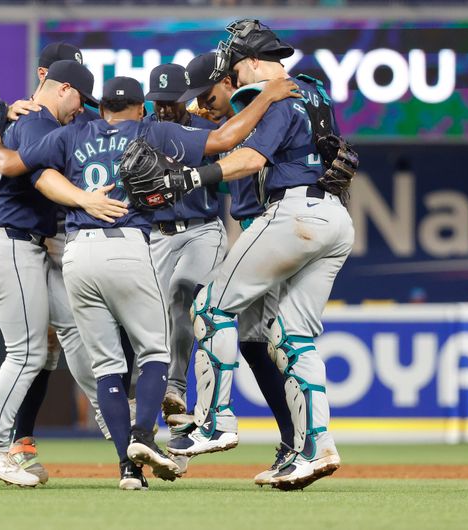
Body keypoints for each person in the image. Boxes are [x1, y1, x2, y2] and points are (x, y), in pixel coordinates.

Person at [0, 74, 300, 489]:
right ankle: (144, 436)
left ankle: (128, 470)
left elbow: (17, 167)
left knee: (108, 367)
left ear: (103, 108)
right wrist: (269, 97)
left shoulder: (75, 132)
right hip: (129, 245)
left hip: (78, 252)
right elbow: (225, 140)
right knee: (154, 352)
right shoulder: (152, 130)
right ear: (138, 107)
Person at [162, 20, 356, 491]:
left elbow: (250, 160)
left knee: (210, 307)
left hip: (292, 213)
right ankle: (315, 447)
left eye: (232, 64)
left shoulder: (269, 92)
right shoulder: (313, 89)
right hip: (335, 218)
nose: (231, 73)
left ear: (248, 61)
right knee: (292, 336)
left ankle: (214, 423)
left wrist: (191, 178)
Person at [0, 60, 123, 487]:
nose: (81, 110)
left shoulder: (27, 119)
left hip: (15, 241)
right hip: (11, 242)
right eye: (80, 100)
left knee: (72, 326)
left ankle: (116, 427)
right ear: (64, 88)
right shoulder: (37, 121)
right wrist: (85, 200)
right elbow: (35, 175)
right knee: (28, 353)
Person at [174, 51, 295, 486]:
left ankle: (226, 426)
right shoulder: (224, 119)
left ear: (231, 81)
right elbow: (148, 110)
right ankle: (294, 439)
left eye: (208, 95)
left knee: (227, 319)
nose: (202, 105)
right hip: (251, 230)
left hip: (272, 229)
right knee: (253, 341)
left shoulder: (264, 111)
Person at [143, 63, 227, 437]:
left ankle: (176, 385)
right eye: (158, 102)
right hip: (158, 235)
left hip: (202, 230)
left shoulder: (209, 132)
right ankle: (172, 426)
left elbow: (237, 169)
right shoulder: (142, 130)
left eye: (171, 102)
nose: (164, 109)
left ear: (187, 99)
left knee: (181, 292)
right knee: (154, 322)